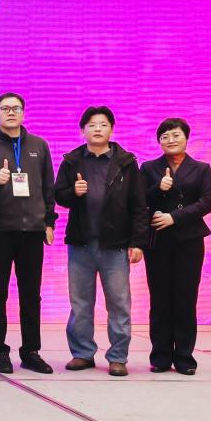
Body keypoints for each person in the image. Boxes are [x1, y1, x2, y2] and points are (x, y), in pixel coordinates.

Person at [54, 106, 149, 377]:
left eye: (103, 124)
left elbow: (139, 205)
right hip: (81, 243)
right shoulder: (72, 161)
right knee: (80, 303)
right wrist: (73, 192)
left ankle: (117, 357)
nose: (97, 129)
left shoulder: (127, 162)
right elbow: (58, 195)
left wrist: (138, 242)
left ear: (112, 129)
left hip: (115, 245)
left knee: (119, 303)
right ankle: (82, 353)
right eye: (92, 125)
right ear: (82, 130)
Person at [0, 93, 57, 375]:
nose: (11, 112)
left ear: (23, 113)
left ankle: (31, 351)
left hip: (33, 231)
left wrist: (49, 222)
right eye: (5, 108)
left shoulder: (39, 145)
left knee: (31, 294)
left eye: (16, 108)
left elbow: (48, 186)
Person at [141, 118, 211, 376]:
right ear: (159, 142)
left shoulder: (202, 169)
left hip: (189, 240)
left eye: (175, 135)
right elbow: (139, 199)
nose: (170, 140)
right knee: (160, 299)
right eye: (164, 137)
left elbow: (207, 202)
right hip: (158, 241)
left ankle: (184, 357)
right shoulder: (149, 168)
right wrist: (157, 189)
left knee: (185, 298)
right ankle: (160, 356)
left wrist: (174, 217)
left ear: (186, 137)